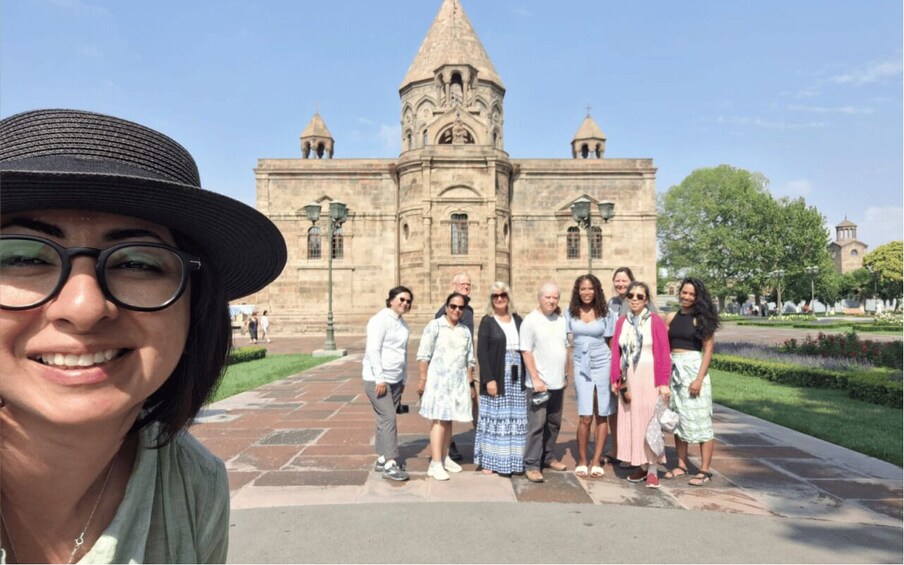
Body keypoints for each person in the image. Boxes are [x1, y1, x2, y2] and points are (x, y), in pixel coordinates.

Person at [0, 108, 287, 562]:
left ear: (196, 305)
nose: (85, 307)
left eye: (137, 262)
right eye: (20, 257)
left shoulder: (191, 485)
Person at [609, 281, 671, 489]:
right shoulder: (621, 323)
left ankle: (653, 469)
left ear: (647, 300)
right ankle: (641, 466)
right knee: (632, 422)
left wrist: (664, 383)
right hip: (629, 378)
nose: (635, 299)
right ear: (626, 298)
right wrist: (615, 379)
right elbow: (616, 353)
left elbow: (663, 354)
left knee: (649, 423)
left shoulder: (654, 321)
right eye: (631, 296)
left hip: (649, 376)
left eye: (640, 296)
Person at [664, 277, 720, 487]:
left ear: (698, 297)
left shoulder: (701, 319)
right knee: (678, 419)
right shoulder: (671, 317)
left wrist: (699, 378)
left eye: (691, 294)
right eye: (684, 293)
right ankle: (681, 464)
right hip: (675, 371)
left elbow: (708, 350)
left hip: (694, 370)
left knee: (701, 420)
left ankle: (705, 470)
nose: (686, 297)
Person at [417, 292, 476, 480]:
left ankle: (444, 456)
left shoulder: (465, 330)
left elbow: (470, 359)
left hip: (457, 382)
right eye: (453, 306)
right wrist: (423, 380)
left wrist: (469, 383)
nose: (457, 310)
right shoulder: (434, 326)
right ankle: (435, 463)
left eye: (461, 307)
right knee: (438, 419)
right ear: (446, 306)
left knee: (449, 419)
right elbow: (424, 355)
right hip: (438, 381)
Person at [519, 283, 570, 483]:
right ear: (539, 298)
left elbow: (565, 348)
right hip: (539, 385)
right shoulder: (530, 321)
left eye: (555, 297)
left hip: (557, 382)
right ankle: (531, 464)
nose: (551, 301)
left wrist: (566, 375)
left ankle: (548, 457)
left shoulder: (560, 320)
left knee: (554, 423)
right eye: (547, 297)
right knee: (537, 425)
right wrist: (535, 379)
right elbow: (526, 351)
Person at [474, 282, 526, 476]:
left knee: (516, 417)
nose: (499, 298)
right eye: (495, 296)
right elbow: (482, 353)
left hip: (517, 375)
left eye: (503, 295)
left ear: (508, 297)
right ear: (491, 299)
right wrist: (489, 379)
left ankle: (513, 461)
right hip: (497, 373)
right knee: (495, 417)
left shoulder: (518, 320)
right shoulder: (487, 321)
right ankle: (490, 460)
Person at [362, 287, 414, 482]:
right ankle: (391, 463)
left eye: (409, 301)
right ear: (391, 300)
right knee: (389, 417)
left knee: (384, 419)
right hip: (378, 380)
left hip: (396, 379)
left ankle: (382, 456)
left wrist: (404, 377)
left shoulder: (403, 325)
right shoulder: (380, 320)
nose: (405, 303)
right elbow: (373, 350)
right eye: (402, 299)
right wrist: (380, 378)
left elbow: (403, 353)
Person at [565, 274, 614, 479]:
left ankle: (596, 460)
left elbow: (611, 341)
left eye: (590, 288)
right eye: (583, 289)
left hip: (603, 362)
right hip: (580, 364)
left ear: (597, 291)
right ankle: (583, 459)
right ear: (578, 291)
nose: (586, 292)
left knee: (601, 412)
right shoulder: (570, 313)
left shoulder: (606, 313)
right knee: (585, 415)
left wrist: (615, 371)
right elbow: (563, 340)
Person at [434, 271, 474, 461]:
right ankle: (446, 448)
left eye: (468, 285)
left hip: (466, 365)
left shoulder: (469, 309)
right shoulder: (444, 312)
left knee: (471, 403)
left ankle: (479, 439)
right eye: (462, 284)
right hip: (450, 370)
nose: (466, 287)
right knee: (446, 408)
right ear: (454, 285)